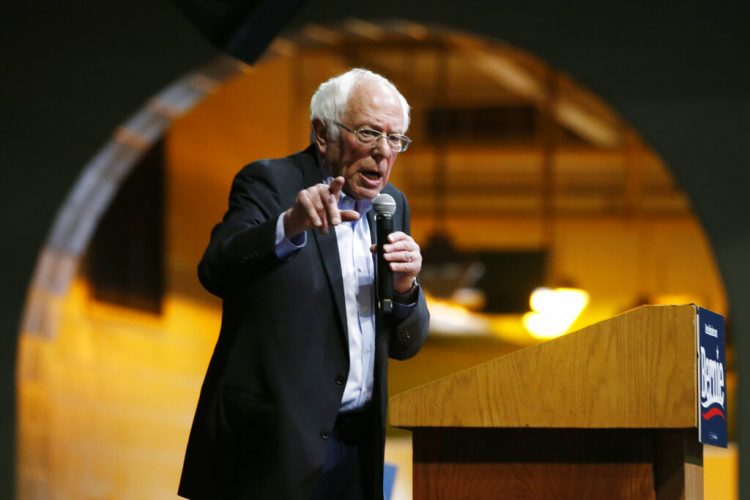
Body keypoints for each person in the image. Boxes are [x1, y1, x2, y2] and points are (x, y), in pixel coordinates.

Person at [178, 68, 430, 500]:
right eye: (369, 133)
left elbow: (406, 344)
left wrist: (407, 288)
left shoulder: (393, 205)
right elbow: (216, 269)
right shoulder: (271, 183)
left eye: (396, 139)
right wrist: (288, 227)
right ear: (322, 133)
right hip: (269, 448)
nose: (383, 153)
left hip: (356, 448)